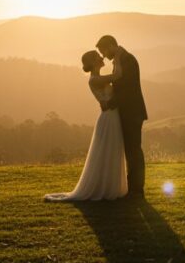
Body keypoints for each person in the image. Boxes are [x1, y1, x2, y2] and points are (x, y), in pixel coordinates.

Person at [44, 50, 128, 201]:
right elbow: (117, 76)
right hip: (108, 118)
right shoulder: (94, 80)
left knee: (112, 151)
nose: (101, 57)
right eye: (98, 56)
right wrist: (117, 57)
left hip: (112, 116)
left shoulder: (98, 78)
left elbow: (114, 78)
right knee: (108, 152)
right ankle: (105, 188)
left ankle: (110, 186)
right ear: (93, 62)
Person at [96, 35, 147, 199]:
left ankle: (136, 190)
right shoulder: (121, 60)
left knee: (133, 151)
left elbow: (126, 90)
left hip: (132, 112)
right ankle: (133, 189)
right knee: (130, 151)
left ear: (111, 45)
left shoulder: (128, 60)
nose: (103, 56)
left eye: (103, 51)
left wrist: (109, 103)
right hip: (127, 112)